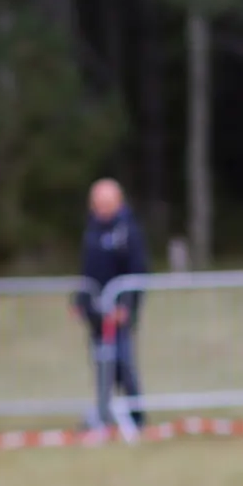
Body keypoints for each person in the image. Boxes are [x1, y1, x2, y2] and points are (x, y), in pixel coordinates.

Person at [75, 178, 149, 428]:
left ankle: (136, 415)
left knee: (122, 362)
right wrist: (80, 300)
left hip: (119, 311)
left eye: (106, 202)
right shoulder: (92, 230)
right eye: (97, 203)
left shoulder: (128, 231)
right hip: (95, 312)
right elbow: (87, 270)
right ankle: (103, 412)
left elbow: (138, 271)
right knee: (100, 362)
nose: (101, 207)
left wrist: (126, 306)